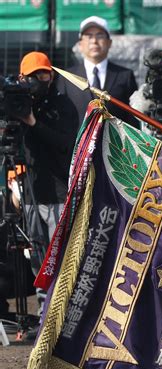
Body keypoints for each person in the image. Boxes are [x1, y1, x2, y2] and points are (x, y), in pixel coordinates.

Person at [17, 51, 78, 314]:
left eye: (43, 73)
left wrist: (32, 122)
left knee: (60, 254)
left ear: (51, 75)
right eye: (32, 76)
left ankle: (63, 312)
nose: (38, 79)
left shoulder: (62, 104)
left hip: (57, 192)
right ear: (22, 78)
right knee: (37, 253)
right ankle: (45, 311)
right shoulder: (17, 104)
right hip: (30, 192)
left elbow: (65, 144)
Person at [57, 15, 139, 128]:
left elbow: (132, 119)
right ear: (80, 44)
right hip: (78, 145)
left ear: (109, 42)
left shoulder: (125, 76)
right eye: (89, 36)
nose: (94, 41)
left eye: (99, 35)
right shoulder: (67, 78)